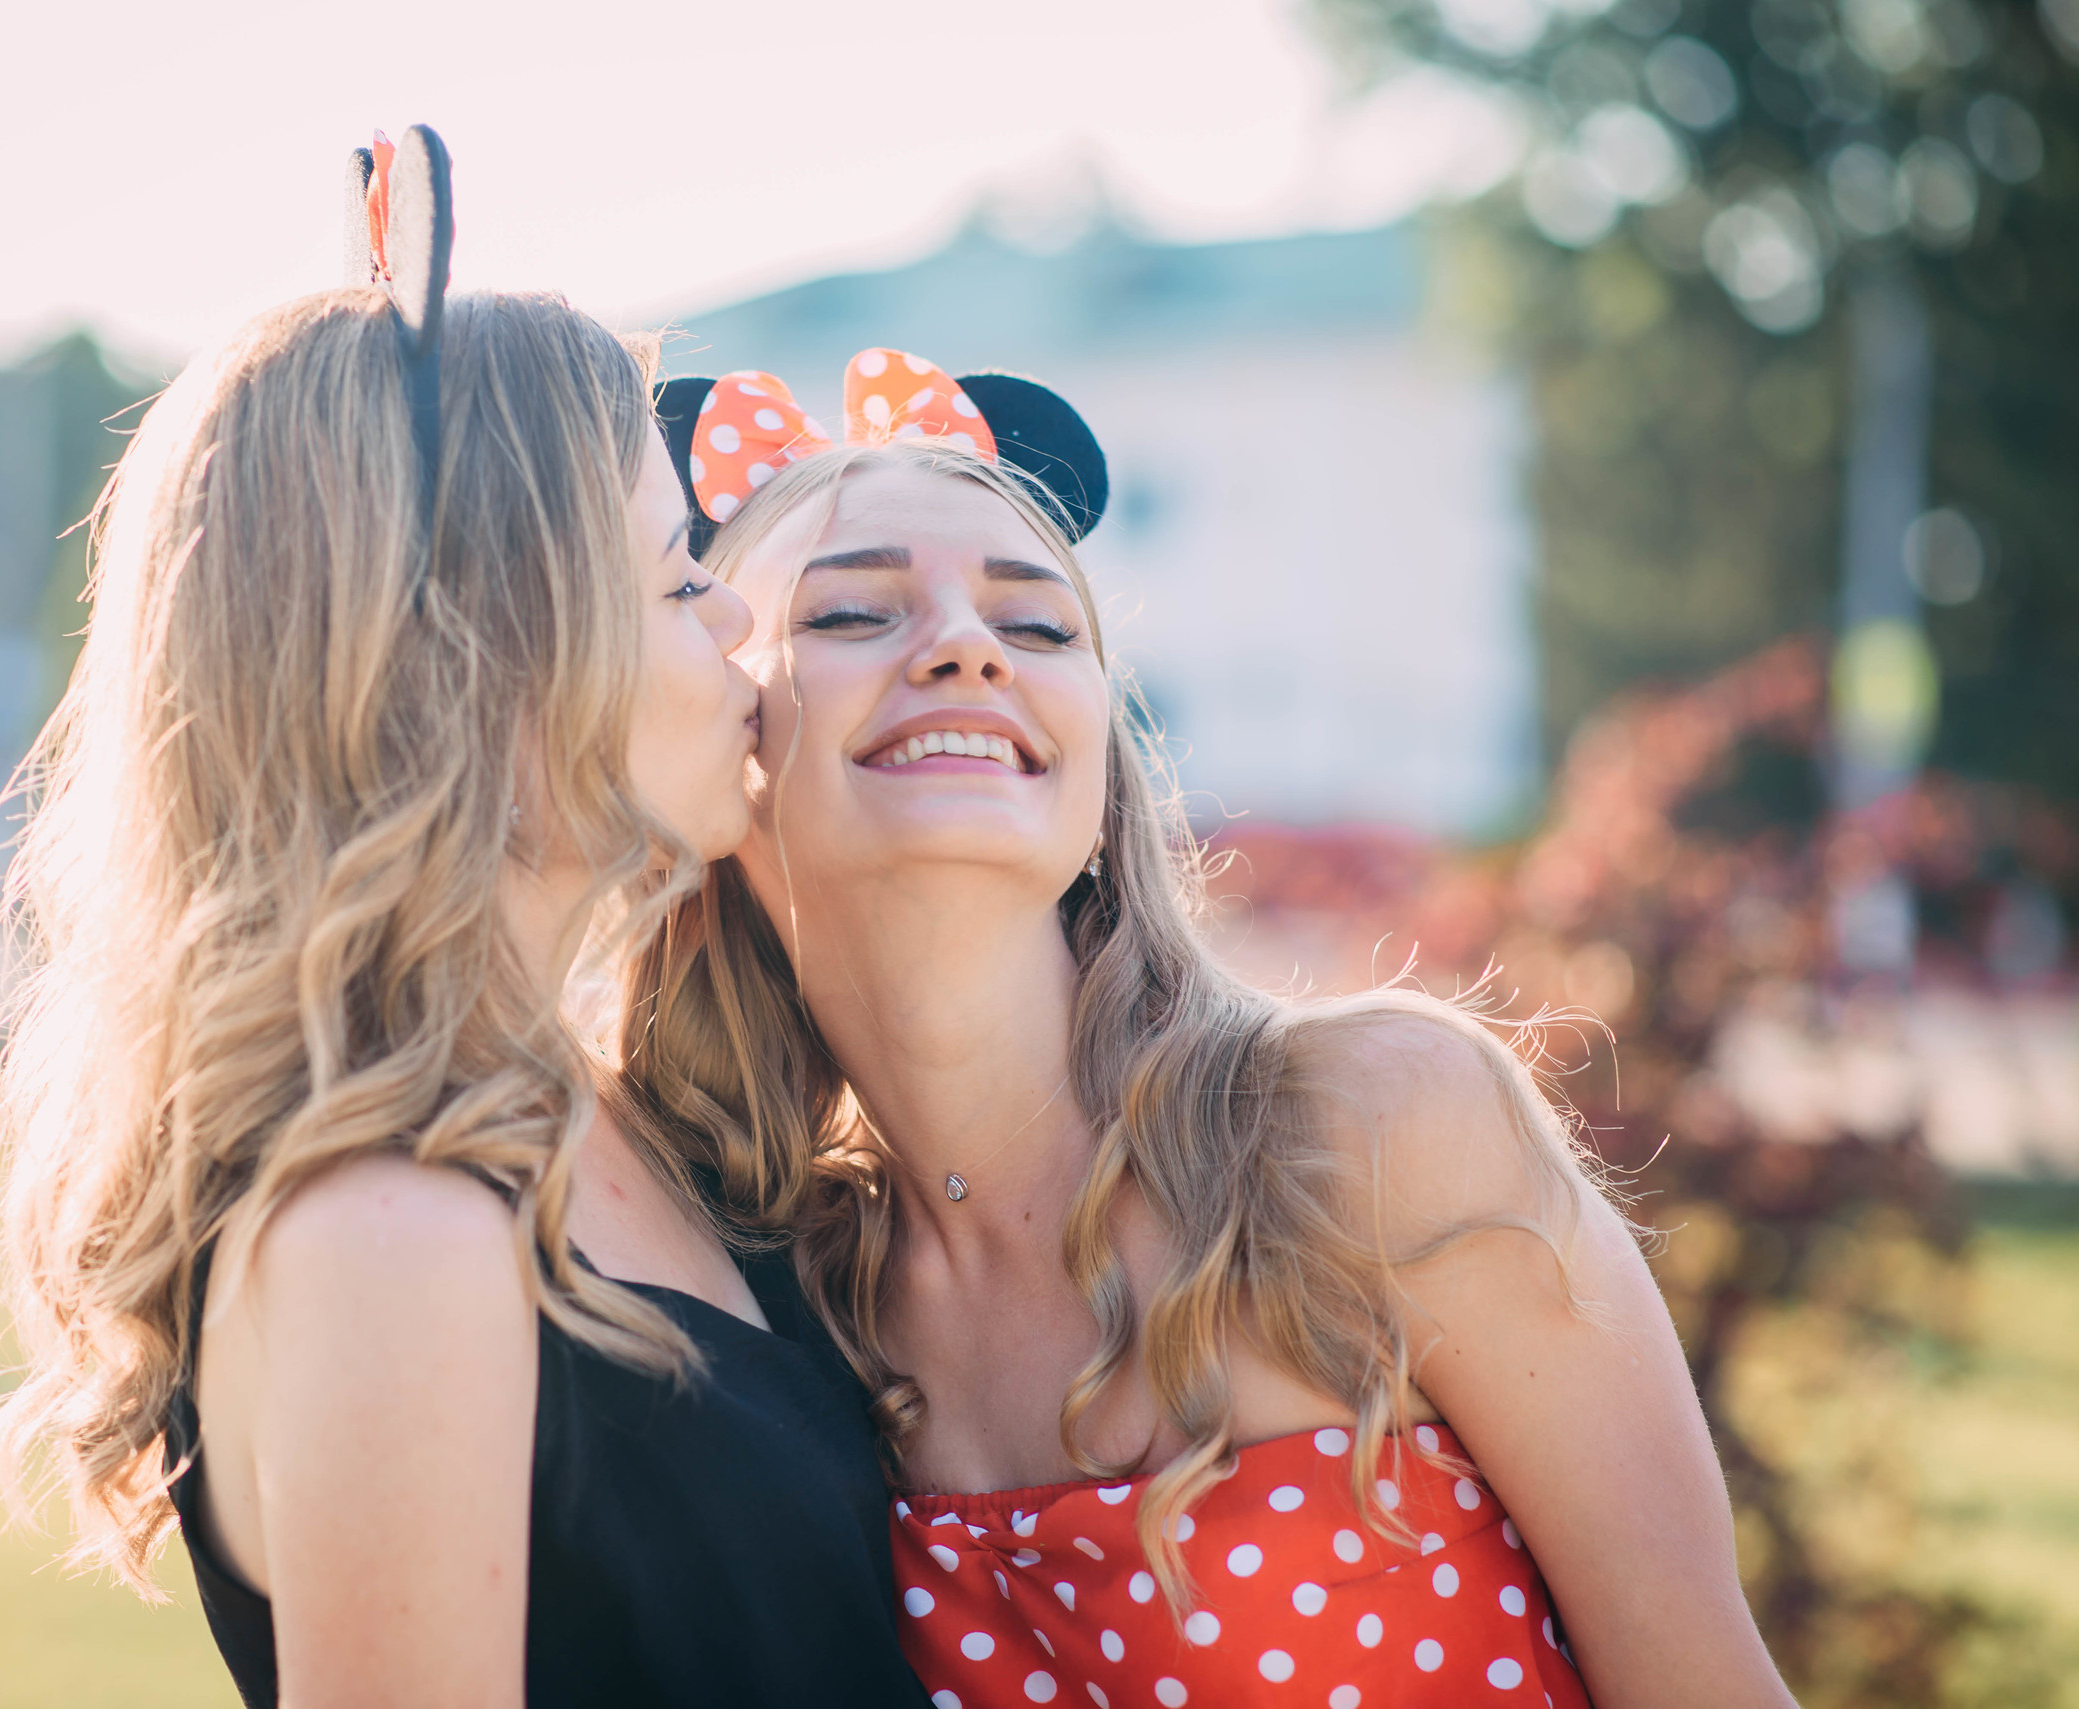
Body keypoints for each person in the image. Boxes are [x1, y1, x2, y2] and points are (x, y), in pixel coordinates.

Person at [621, 350, 1799, 1708]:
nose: (968, 643)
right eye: (851, 612)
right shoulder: (775, 1299)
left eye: (1043, 625)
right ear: (718, 746)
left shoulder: (1369, 1129)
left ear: (1101, 765)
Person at [0, 144, 933, 1709]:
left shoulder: (633, 1121)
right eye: (682, 576)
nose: (739, 627)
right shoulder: (393, 1232)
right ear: (494, 658)